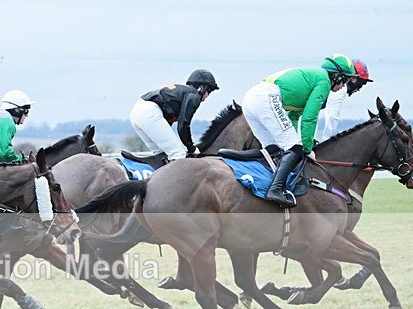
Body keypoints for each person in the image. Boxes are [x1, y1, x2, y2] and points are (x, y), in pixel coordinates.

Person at [241, 54, 357, 207]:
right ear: (336, 76)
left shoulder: (314, 79)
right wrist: (306, 148)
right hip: (266, 98)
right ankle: (275, 190)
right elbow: (310, 117)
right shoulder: (324, 81)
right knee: (294, 147)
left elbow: (293, 117)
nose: (344, 86)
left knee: (274, 149)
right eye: (345, 79)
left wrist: (298, 142)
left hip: (251, 99)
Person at [129, 69, 219, 161]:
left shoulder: (183, 92)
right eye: (210, 90)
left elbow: (166, 126)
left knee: (162, 156)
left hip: (137, 112)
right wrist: (191, 148)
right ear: (202, 87)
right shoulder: (193, 95)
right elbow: (183, 125)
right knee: (178, 154)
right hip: (149, 113)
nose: (208, 95)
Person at [318, 59, 373, 140]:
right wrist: (327, 143)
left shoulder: (330, 83)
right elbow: (332, 117)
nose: (359, 89)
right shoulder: (340, 90)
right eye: (362, 83)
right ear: (354, 79)